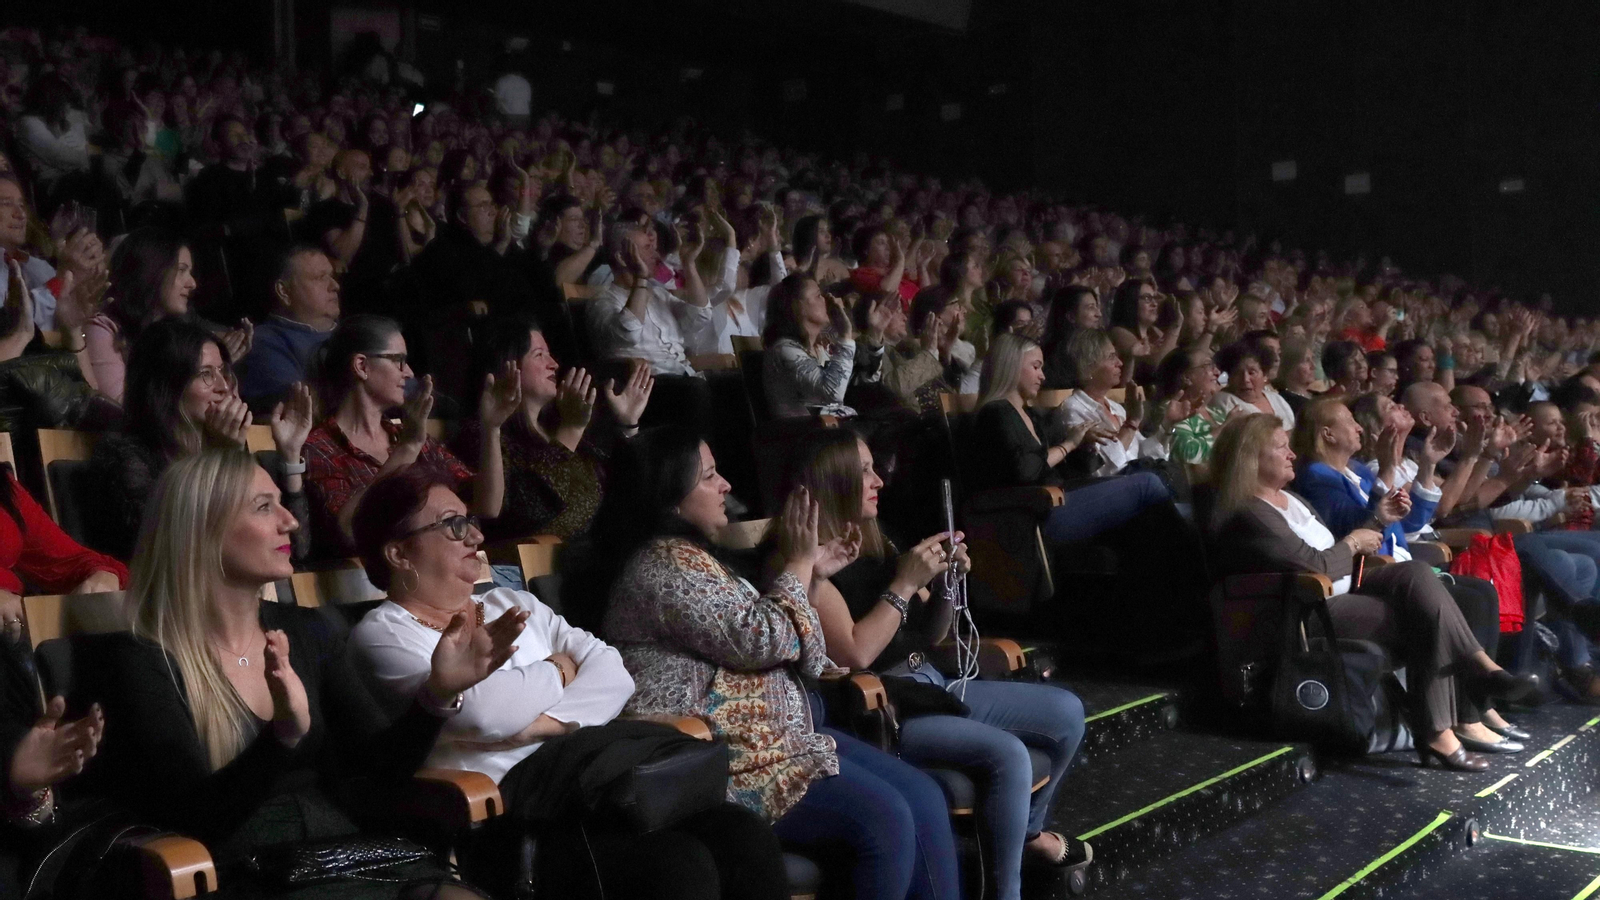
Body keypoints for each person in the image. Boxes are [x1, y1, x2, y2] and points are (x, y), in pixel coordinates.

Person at [86, 450, 519, 899]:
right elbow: (192, 820)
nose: (290, 521)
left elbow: (380, 769)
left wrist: (437, 694)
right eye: (263, 506)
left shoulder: (307, 630)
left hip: (352, 853)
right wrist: (281, 738)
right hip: (241, 874)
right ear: (202, 530)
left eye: (281, 502)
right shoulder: (142, 657)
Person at [347, 466, 786, 900]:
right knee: (677, 865)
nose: (476, 537)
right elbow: (482, 712)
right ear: (399, 554)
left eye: (471, 522)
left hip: (595, 783)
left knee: (742, 836)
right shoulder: (385, 632)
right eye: (453, 525)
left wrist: (547, 724)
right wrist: (558, 669)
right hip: (516, 820)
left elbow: (613, 673)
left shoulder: (509, 600)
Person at [600, 427, 960, 900]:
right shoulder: (662, 567)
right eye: (709, 476)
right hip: (732, 760)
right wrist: (799, 564)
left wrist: (811, 574)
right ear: (670, 500)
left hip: (785, 741)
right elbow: (762, 638)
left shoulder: (696, 558)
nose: (726, 484)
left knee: (925, 797)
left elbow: (793, 643)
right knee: (888, 817)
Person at [771, 428, 1092, 900]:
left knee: (1066, 712)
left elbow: (933, 634)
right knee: (1009, 753)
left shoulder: (873, 540)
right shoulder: (805, 562)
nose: (878, 479)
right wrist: (903, 585)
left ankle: (1025, 836)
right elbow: (856, 654)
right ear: (834, 480)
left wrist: (946, 584)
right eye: (864, 470)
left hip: (930, 680)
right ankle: (1006, 891)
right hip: (885, 705)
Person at [1207, 413, 1538, 771]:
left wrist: (1377, 521)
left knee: (1416, 572)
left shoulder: (1292, 500)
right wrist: (1352, 542)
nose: (1291, 454)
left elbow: (1335, 552)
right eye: (1281, 447)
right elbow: (1313, 564)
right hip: (1308, 609)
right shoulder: (1250, 512)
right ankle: (1441, 727)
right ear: (1252, 457)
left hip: (1345, 586)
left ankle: (1479, 672)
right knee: (1422, 617)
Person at [1292, 398, 1522, 752]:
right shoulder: (1316, 477)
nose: (1357, 427)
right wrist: (1386, 475)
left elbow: (1411, 522)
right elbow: (1352, 528)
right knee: (1466, 599)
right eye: (1350, 421)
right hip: (1370, 573)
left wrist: (1426, 465)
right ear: (1327, 434)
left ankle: (1477, 705)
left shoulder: (1358, 472)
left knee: (1482, 593)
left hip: (1399, 564)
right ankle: (1466, 712)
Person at [87, 317, 313, 561]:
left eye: (223, 372)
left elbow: (295, 551)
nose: (223, 386)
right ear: (166, 387)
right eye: (206, 374)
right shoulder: (125, 457)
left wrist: (290, 456)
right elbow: (178, 555)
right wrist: (221, 458)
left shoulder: (225, 442)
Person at [303, 315, 512, 558]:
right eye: (399, 361)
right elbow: (350, 529)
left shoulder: (404, 432)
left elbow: (488, 505)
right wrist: (407, 449)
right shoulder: (319, 446)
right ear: (362, 366)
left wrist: (491, 428)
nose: (409, 373)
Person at [454, 315, 652, 542]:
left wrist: (627, 424)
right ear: (507, 364)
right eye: (539, 355)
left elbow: (620, 491)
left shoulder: (555, 425)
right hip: (548, 568)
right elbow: (526, 512)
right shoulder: (482, 433)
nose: (554, 364)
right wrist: (572, 430)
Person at [968, 334, 1172, 544]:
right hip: (1033, 513)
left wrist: (1085, 445)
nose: (1043, 377)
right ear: (1011, 367)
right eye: (1036, 367)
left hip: (1057, 497)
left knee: (1150, 511)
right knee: (1148, 484)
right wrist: (1070, 444)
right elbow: (1027, 470)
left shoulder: (1029, 414)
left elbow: (1062, 467)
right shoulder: (996, 413)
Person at [83, 227, 197, 403]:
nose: (192, 283)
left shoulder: (182, 332)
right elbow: (119, 404)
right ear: (153, 270)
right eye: (182, 270)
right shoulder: (104, 328)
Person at [237, 244, 341, 413]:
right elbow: (300, 408)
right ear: (284, 291)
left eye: (332, 276)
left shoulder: (354, 332)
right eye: (320, 278)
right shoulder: (265, 342)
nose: (335, 285)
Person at [0, 173, 105, 332]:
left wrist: (87, 281)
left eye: (22, 205)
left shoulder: (39, 266)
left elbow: (70, 323)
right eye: (6, 204)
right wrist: (63, 279)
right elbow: (12, 332)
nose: (20, 214)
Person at [1061, 329, 1174, 476]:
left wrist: (1167, 425)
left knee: (1172, 472)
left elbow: (1144, 454)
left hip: (1140, 483)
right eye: (1111, 357)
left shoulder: (1115, 407)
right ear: (1088, 367)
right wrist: (1131, 423)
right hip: (1109, 490)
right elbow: (1104, 469)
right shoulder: (1072, 409)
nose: (1120, 363)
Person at [762, 273, 856, 419]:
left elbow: (856, 386)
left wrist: (876, 333)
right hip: (805, 434)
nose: (828, 300)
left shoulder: (820, 348)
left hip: (833, 428)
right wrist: (845, 335)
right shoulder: (785, 349)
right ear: (798, 306)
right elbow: (833, 393)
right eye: (819, 295)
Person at [1156, 345, 1229, 475]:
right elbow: (1188, 456)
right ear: (1187, 378)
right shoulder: (1171, 411)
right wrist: (1226, 427)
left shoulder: (1215, 412)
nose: (1218, 372)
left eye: (1215, 365)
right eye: (1208, 365)